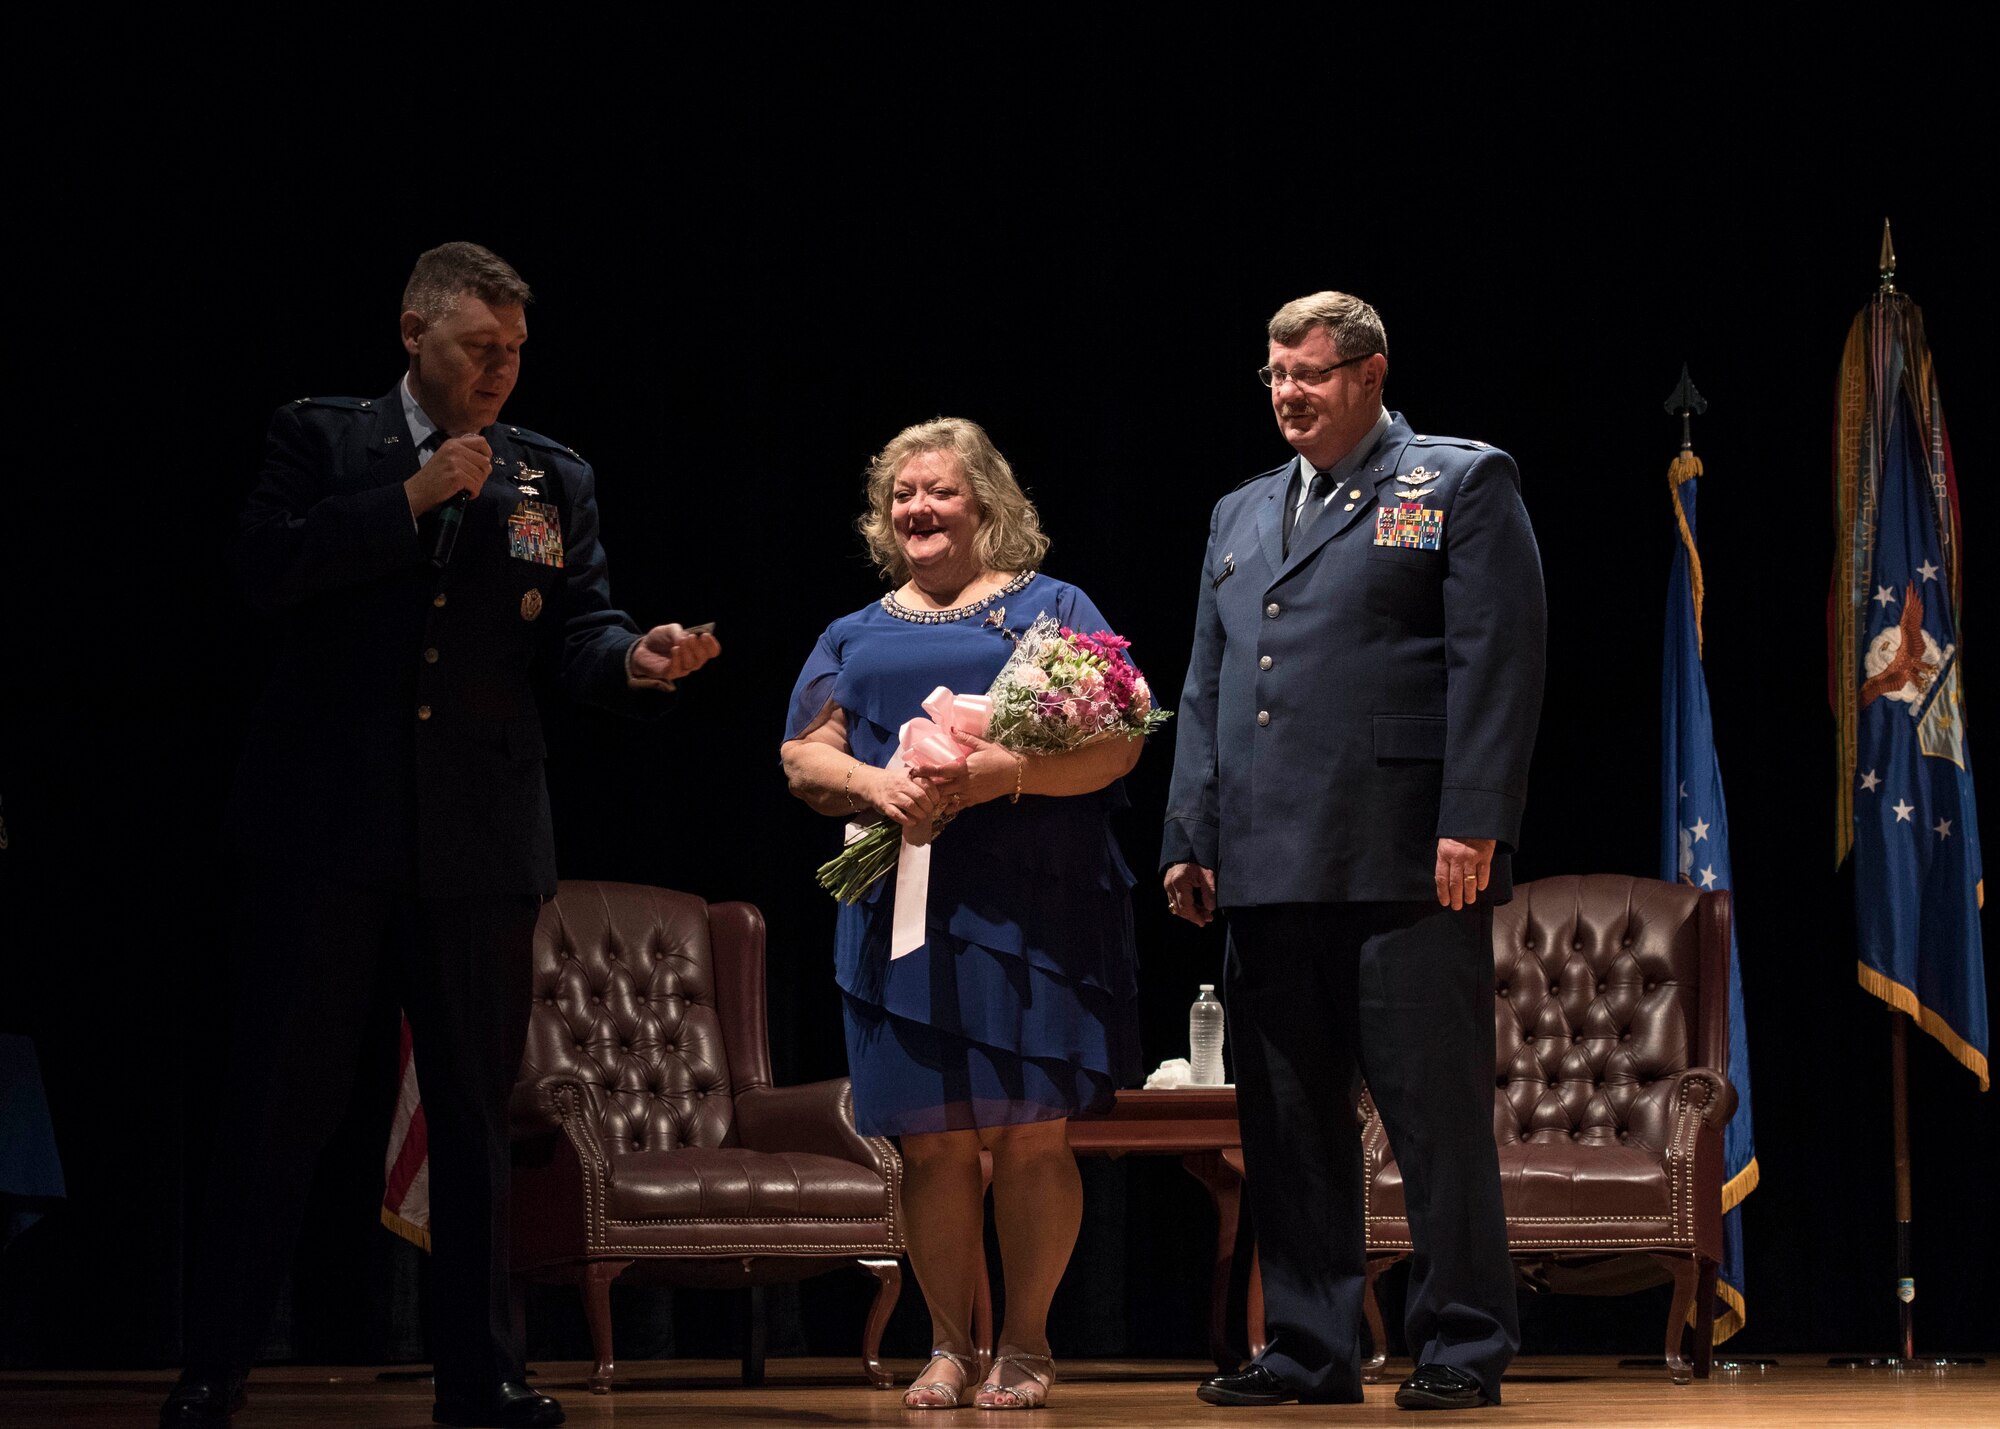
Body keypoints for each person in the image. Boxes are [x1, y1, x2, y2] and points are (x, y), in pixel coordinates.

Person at [162, 242, 721, 1429]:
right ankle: (216, 1363)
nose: (500, 372)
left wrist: (636, 659)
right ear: (414, 332)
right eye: (480, 348)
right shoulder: (324, 440)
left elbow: (579, 628)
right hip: (326, 829)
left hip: (476, 838)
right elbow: (261, 571)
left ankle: (484, 1375)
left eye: (515, 352)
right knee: (280, 1105)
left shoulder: (548, 476)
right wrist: (411, 499)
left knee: (473, 1116)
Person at [1162, 292, 1545, 1411]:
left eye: (1310, 375)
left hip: (1404, 859)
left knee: (1431, 1122)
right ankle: (1307, 1347)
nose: (1287, 394)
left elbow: (1497, 662)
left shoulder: (1454, 482)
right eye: (1274, 376)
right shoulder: (1237, 513)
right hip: (1267, 864)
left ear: (1368, 375)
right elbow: (1206, 685)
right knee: (1284, 1124)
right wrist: (1192, 829)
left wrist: (1472, 818)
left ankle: (1461, 1344)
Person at [780, 418, 1144, 1411]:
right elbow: (801, 756)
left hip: (1035, 913)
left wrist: (999, 772)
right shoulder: (852, 632)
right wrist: (874, 783)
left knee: (1030, 1134)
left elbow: (1118, 745)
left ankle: (1023, 1344)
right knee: (933, 1140)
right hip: (902, 918)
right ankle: (945, 1344)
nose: (917, 509)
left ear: (985, 500)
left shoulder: (1051, 607)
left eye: (937, 490)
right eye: (901, 494)